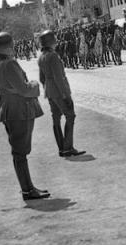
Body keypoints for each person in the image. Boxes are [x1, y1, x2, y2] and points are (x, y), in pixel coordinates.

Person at [0, 32, 50, 201]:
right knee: (20, 152)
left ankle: (28, 187)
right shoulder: (9, 64)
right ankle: (27, 190)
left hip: (8, 109)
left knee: (18, 151)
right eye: (13, 45)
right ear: (9, 46)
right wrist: (34, 84)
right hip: (19, 110)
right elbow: (24, 89)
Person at [37, 30, 85, 158]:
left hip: (50, 91)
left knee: (56, 118)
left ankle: (61, 148)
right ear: (51, 41)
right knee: (70, 115)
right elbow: (59, 78)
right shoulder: (53, 56)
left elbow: (42, 78)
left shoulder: (41, 57)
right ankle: (68, 147)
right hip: (59, 91)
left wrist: (48, 89)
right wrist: (66, 95)